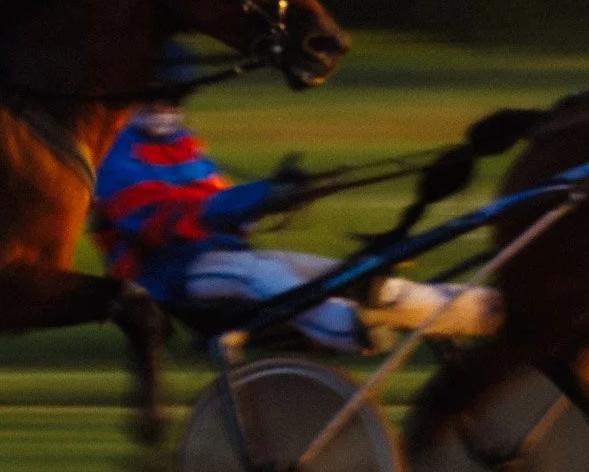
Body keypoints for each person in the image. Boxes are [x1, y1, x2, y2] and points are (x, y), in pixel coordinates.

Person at [92, 44, 503, 354]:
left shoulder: (184, 145)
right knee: (261, 277)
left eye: (177, 97)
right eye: (159, 96)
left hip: (223, 259)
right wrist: (261, 197)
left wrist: (283, 196)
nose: (167, 107)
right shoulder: (114, 152)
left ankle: (470, 310)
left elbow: (226, 209)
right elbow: (162, 221)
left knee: (344, 275)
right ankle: (347, 327)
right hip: (173, 282)